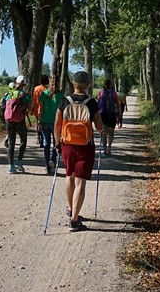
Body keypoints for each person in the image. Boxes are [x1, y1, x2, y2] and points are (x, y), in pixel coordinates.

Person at [54, 71, 104, 232]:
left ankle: (70, 209)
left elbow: (57, 125)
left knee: (69, 176)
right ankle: (74, 220)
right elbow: (99, 126)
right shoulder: (91, 103)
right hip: (85, 146)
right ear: (88, 85)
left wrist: (57, 143)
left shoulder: (64, 101)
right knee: (80, 181)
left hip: (67, 145)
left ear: (73, 84)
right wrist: (102, 130)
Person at [5, 75, 32, 173]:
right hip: (20, 121)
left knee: (11, 143)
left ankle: (11, 166)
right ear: (24, 85)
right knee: (23, 141)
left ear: (16, 82)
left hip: (9, 121)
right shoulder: (24, 95)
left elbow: (2, 104)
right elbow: (29, 110)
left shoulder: (9, 94)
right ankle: (19, 162)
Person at [38, 75, 64, 174]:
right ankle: (53, 160)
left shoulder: (44, 94)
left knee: (46, 143)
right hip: (56, 122)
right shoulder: (61, 95)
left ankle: (47, 165)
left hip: (45, 121)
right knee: (56, 143)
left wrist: (39, 121)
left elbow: (40, 109)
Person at [97, 79, 121, 156]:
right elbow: (118, 104)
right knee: (111, 133)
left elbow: (98, 105)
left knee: (104, 134)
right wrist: (119, 114)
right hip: (111, 114)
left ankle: (104, 151)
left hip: (103, 114)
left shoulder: (100, 93)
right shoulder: (114, 93)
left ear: (104, 84)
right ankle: (109, 147)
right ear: (111, 85)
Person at [32, 75, 49, 147]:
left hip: (36, 108)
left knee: (38, 123)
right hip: (45, 109)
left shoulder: (36, 89)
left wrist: (32, 108)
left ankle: (39, 137)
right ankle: (43, 138)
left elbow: (34, 99)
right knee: (43, 124)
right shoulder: (47, 90)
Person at [0, 82, 16, 148]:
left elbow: (1, 101)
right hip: (12, 113)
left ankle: (8, 138)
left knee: (8, 128)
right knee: (13, 128)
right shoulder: (14, 94)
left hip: (5, 113)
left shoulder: (6, 94)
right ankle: (8, 138)